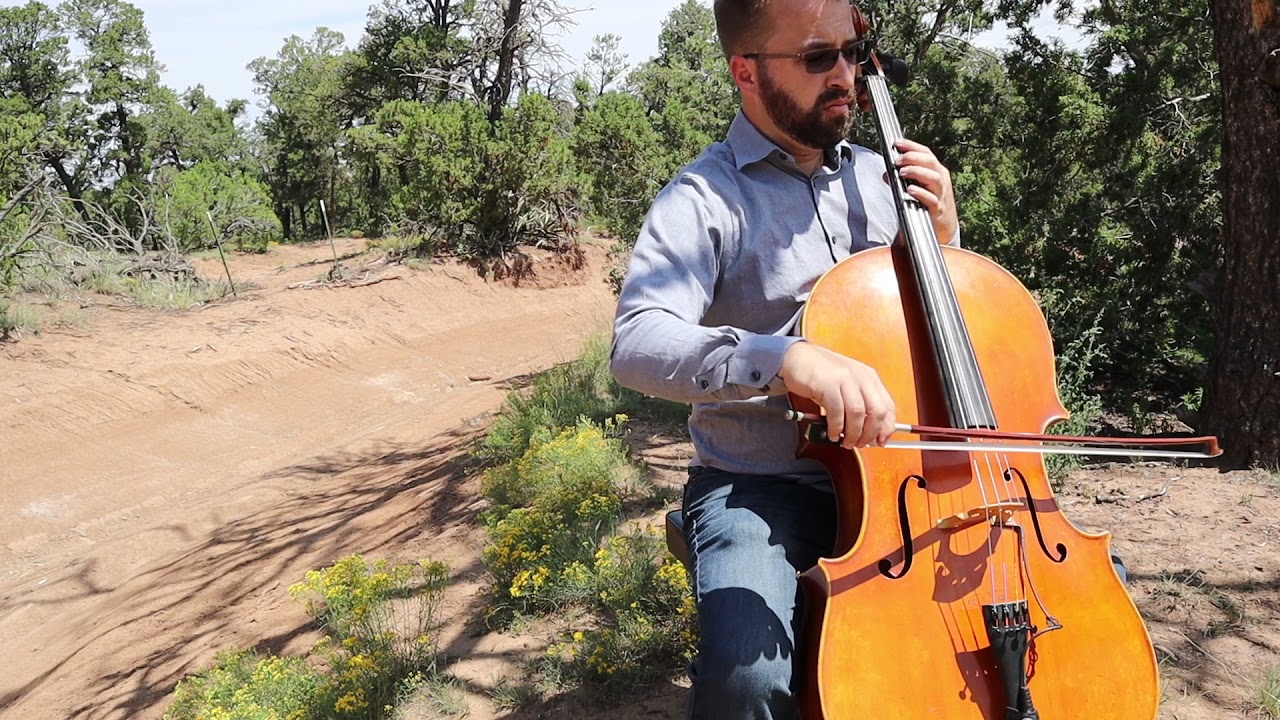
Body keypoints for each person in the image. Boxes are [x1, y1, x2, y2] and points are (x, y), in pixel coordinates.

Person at [608, 0, 960, 717]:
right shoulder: (704, 198)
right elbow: (637, 341)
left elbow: (948, 336)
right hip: (759, 485)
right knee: (747, 679)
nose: (846, 76)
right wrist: (784, 358)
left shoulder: (885, 180)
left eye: (851, 53)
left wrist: (945, 245)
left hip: (908, 472)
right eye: (816, 58)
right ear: (746, 71)